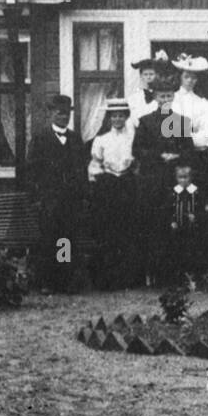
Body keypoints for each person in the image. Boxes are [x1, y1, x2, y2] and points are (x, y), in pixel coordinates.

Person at [133, 72, 195, 286]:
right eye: (161, 96)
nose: (165, 100)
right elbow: (138, 150)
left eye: (169, 96)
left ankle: (175, 274)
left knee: (176, 224)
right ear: (155, 98)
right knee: (153, 226)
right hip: (152, 181)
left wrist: (176, 156)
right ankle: (153, 274)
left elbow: (189, 151)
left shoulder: (180, 122)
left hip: (174, 181)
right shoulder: (146, 122)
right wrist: (159, 155)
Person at [25, 94, 90, 294]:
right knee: (48, 240)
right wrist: (36, 198)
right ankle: (47, 281)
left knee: (67, 240)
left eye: (66, 114)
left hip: (70, 200)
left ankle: (65, 280)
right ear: (51, 113)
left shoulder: (75, 139)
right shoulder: (40, 138)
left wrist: (82, 195)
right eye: (59, 113)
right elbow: (32, 171)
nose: (63, 117)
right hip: (49, 200)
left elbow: (81, 170)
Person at [88, 97, 140, 289]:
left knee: (126, 232)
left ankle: (127, 278)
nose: (117, 119)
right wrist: (102, 181)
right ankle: (106, 280)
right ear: (109, 118)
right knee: (107, 232)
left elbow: (136, 164)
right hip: (108, 188)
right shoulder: (102, 140)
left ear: (126, 117)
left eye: (121, 116)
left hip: (127, 186)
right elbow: (95, 166)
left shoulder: (132, 138)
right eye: (114, 116)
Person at [156, 157, 208, 287]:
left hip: (193, 229)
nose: (183, 181)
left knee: (193, 252)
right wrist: (171, 221)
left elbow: (205, 209)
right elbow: (166, 209)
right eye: (180, 178)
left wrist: (197, 216)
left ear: (191, 178)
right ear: (176, 178)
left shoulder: (196, 192)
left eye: (186, 177)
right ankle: (179, 279)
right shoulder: (173, 192)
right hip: (178, 228)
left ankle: (194, 278)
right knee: (177, 252)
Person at [128, 50, 167, 127]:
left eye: (151, 74)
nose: (148, 77)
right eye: (145, 74)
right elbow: (134, 118)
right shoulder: (134, 98)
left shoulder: (162, 95)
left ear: (156, 75)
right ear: (141, 76)